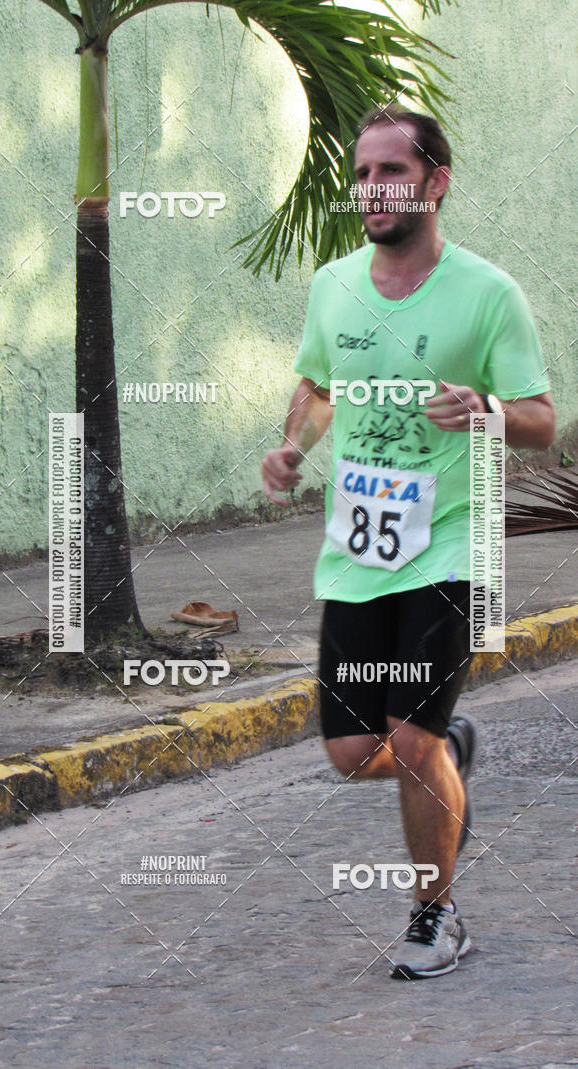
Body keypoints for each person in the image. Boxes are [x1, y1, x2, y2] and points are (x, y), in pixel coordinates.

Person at [261, 106, 556, 980]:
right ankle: (449, 751)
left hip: (451, 546)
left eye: (392, 170)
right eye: (362, 173)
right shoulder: (334, 286)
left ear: (436, 182)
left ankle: (438, 916)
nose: (371, 188)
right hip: (357, 548)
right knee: (354, 754)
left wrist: (488, 411)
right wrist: (293, 444)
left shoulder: (489, 293)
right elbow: (317, 385)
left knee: (410, 736)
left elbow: (541, 420)